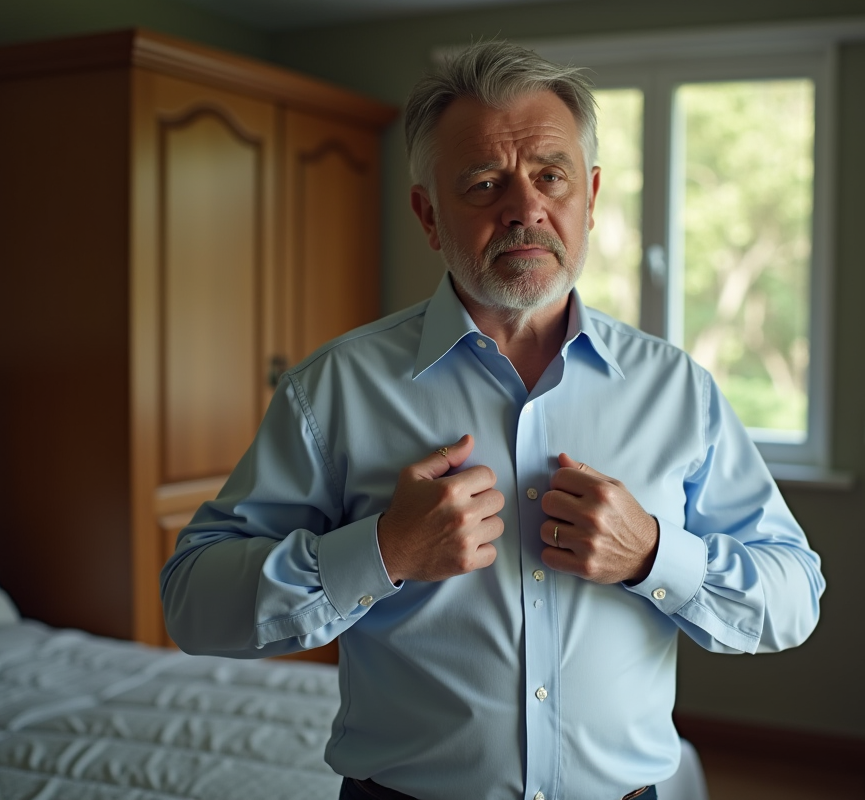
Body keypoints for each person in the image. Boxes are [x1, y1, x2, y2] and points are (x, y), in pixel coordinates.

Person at [161, 40, 824, 800]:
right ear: (428, 214)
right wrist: (380, 550)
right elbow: (193, 603)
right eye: (483, 183)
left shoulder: (678, 391)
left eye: (551, 176)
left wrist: (653, 556)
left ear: (592, 197)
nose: (525, 208)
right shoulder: (337, 388)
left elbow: (794, 597)